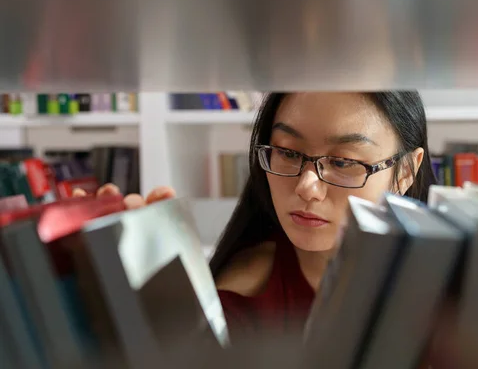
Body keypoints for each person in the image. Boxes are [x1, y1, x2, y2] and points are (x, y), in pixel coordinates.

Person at [75, 91, 436, 337]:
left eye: (343, 161)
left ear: (405, 171)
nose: (306, 186)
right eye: (289, 153)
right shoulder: (240, 300)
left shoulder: (445, 287)